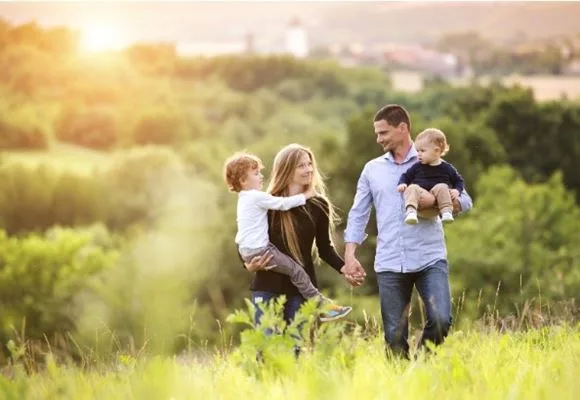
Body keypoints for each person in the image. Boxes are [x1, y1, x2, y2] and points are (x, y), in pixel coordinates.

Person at [342, 104, 473, 358]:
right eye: (377, 133)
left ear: (403, 128)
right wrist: (350, 254)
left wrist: (443, 203)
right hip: (390, 261)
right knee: (394, 335)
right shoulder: (372, 169)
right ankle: (401, 385)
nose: (378, 139)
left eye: (383, 133)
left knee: (441, 319)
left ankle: (421, 367)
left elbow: (466, 200)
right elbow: (358, 213)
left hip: (429, 257)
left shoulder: (436, 162)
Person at [223, 151, 352, 322]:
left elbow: (325, 248)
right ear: (287, 169)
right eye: (301, 165)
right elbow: (245, 235)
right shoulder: (268, 202)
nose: (309, 169)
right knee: (267, 345)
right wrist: (248, 265)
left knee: (295, 347)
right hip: (267, 286)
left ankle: (322, 306)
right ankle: (322, 305)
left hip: (299, 291)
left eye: (309, 164)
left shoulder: (318, 204)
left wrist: (345, 268)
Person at [397, 128, 465, 225]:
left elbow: (459, 181)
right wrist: (402, 183)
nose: (418, 154)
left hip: (437, 207)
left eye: (422, 151)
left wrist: (457, 190)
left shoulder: (447, 168)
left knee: (442, 186)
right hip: (421, 204)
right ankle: (411, 212)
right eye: (417, 151)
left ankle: (446, 212)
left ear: (436, 151)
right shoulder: (417, 167)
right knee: (412, 187)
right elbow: (406, 176)